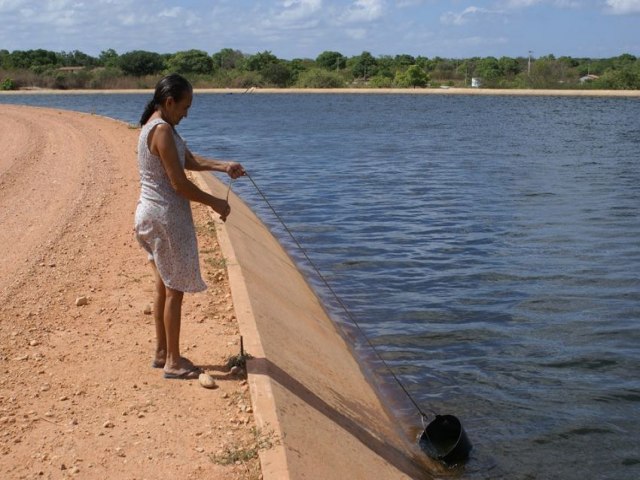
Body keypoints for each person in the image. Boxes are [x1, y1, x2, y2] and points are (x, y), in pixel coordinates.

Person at [134, 73, 245, 380]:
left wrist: (223, 166)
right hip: (164, 218)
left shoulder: (155, 125)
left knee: (163, 285)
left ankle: (161, 352)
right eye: (184, 106)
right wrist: (215, 203)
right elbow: (179, 184)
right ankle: (172, 361)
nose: (186, 113)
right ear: (169, 102)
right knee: (174, 290)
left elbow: (187, 160)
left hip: (149, 216)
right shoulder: (162, 130)